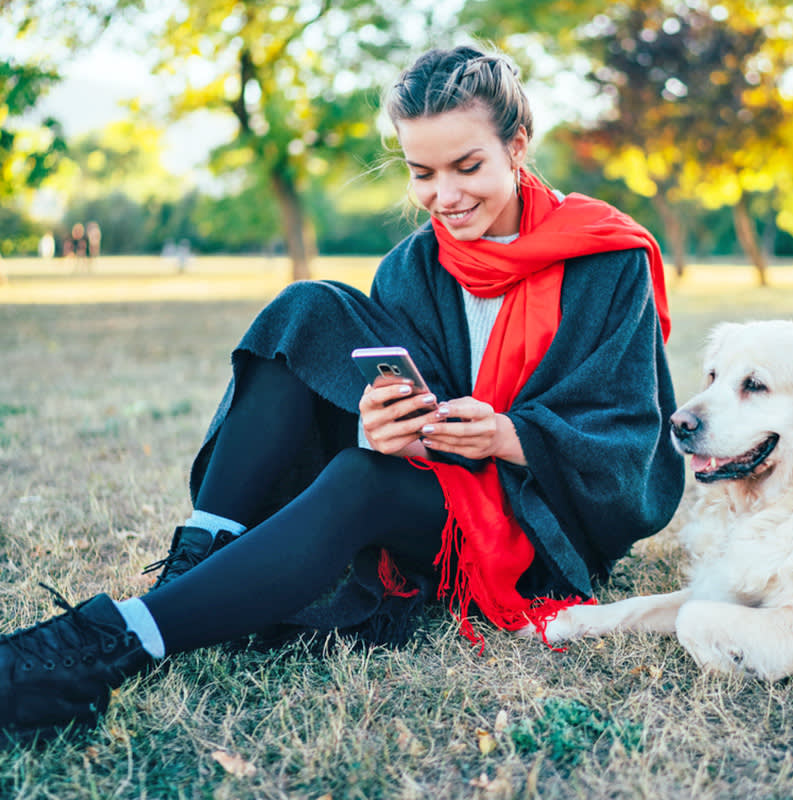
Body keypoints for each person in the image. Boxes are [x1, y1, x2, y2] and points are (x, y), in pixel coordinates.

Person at [0, 44, 684, 740]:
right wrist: (380, 429)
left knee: (362, 479)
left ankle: (110, 643)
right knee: (308, 308)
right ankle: (194, 568)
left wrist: (511, 436)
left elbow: (633, 442)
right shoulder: (412, 268)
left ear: (517, 146)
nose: (445, 197)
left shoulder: (607, 259)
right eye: (423, 173)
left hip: (542, 522)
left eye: (467, 166)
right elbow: (408, 421)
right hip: (440, 492)